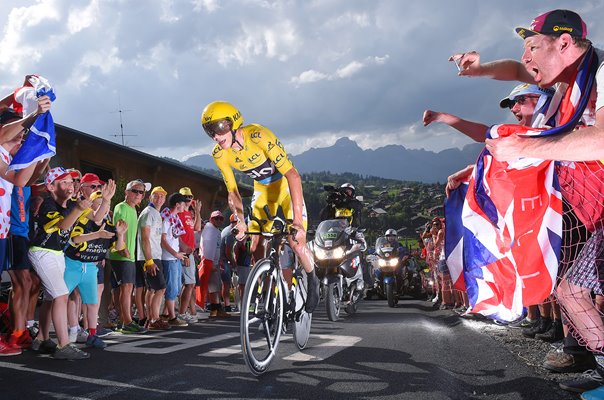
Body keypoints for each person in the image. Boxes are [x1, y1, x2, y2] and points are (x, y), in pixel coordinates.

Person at [452, 9, 604, 394]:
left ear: (565, 43)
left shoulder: (602, 73)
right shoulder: (563, 81)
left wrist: (527, 146)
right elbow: (515, 71)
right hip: (594, 206)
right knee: (569, 289)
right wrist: (481, 68)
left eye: (533, 46)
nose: (525, 59)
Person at [201, 101, 319, 312]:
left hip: (285, 188)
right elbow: (233, 192)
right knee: (255, 244)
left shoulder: (259, 135)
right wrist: (239, 221)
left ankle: (312, 279)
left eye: (219, 128)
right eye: (210, 131)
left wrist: (298, 223)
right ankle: (270, 285)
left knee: (297, 243)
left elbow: (293, 175)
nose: (216, 136)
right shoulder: (219, 154)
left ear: (234, 123)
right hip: (262, 191)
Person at [29, 167, 91, 360]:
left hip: (55, 254)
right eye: (63, 182)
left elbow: (93, 218)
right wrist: (79, 209)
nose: (70, 185)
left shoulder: (67, 206)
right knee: (61, 295)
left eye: (71, 181)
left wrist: (104, 200)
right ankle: (63, 345)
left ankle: (41, 338)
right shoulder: (48, 204)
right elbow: (63, 225)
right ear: (51, 187)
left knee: (51, 297)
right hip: (42, 252)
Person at [64, 190, 126, 349]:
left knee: (92, 303)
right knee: (62, 299)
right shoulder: (83, 220)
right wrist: (97, 234)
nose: (104, 209)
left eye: (106, 205)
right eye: (100, 205)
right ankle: (64, 334)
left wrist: (120, 235)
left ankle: (92, 334)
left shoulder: (110, 226)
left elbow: (119, 249)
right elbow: (75, 239)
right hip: (73, 264)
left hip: (91, 267)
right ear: (91, 207)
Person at [107, 179, 150, 334]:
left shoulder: (132, 209)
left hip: (129, 256)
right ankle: (127, 322)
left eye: (141, 192)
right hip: (122, 255)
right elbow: (119, 228)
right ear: (126, 192)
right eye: (135, 191)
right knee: (126, 289)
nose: (139, 194)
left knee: (127, 289)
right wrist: (124, 249)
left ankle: (124, 320)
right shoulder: (121, 207)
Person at [160, 192, 189, 327]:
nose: (185, 206)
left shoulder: (174, 218)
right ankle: (172, 317)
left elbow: (175, 238)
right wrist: (175, 254)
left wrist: (183, 251)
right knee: (172, 288)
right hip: (168, 258)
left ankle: (165, 314)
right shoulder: (166, 219)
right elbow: (163, 240)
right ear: (177, 204)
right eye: (183, 203)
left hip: (174, 257)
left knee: (176, 287)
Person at [177, 187, 203, 323]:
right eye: (185, 197)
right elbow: (177, 234)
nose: (188, 200)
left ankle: (184, 311)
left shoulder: (188, 214)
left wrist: (197, 212)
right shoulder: (179, 213)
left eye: (190, 197)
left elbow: (197, 228)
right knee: (189, 284)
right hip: (184, 252)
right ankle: (181, 312)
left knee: (190, 284)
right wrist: (184, 253)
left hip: (190, 252)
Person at [200, 210, 228, 318]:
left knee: (215, 287)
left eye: (221, 218)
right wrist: (211, 263)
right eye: (216, 218)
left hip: (213, 262)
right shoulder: (210, 230)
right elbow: (207, 247)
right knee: (214, 287)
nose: (219, 220)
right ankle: (215, 310)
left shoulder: (214, 230)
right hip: (209, 262)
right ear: (211, 219)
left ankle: (216, 308)